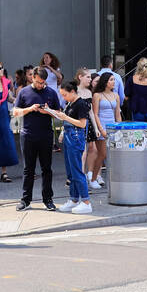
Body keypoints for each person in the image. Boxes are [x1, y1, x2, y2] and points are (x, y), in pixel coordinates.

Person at [14, 66, 61, 211]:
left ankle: (48, 199)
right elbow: (15, 112)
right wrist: (30, 109)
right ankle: (25, 200)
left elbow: (58, 114)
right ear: (32, 77)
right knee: (28, 169)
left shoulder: (51, 92)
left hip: (46, 135)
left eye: (44, 83)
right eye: (39, 82)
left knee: (47, 168)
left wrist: (47, 111)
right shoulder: (24, 92)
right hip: (28, 134)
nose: (42, 85)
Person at [48, 81, 93, 213]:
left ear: (73, 92)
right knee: (70, 171)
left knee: (77, 170)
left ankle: (85, 201)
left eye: (65, 94)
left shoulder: (81, 104)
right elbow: (67, 118)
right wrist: (50, 111)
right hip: (70, 136)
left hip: (75, 137)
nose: (63, 97)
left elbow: (82, 124)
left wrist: (65, 117)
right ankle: (74, 199)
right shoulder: (71, 103)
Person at [89, 71, 120, 189]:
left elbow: (117, 114)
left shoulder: (115, 95)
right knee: (102, 154)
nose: (114, 82)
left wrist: (119, 127)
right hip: (102, 126)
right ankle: (93, 178)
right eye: (111, 80)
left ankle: (113, 179)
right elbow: (95, 114)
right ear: (105, 82)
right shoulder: (97, 95)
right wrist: (101, 130)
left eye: (114, 79)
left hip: (113, 127)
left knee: (112, 155)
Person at [126, 59, 147, 124]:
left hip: (137, 110)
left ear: (138, 67)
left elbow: (127, 94)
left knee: (137, 132)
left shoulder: (131, 79)